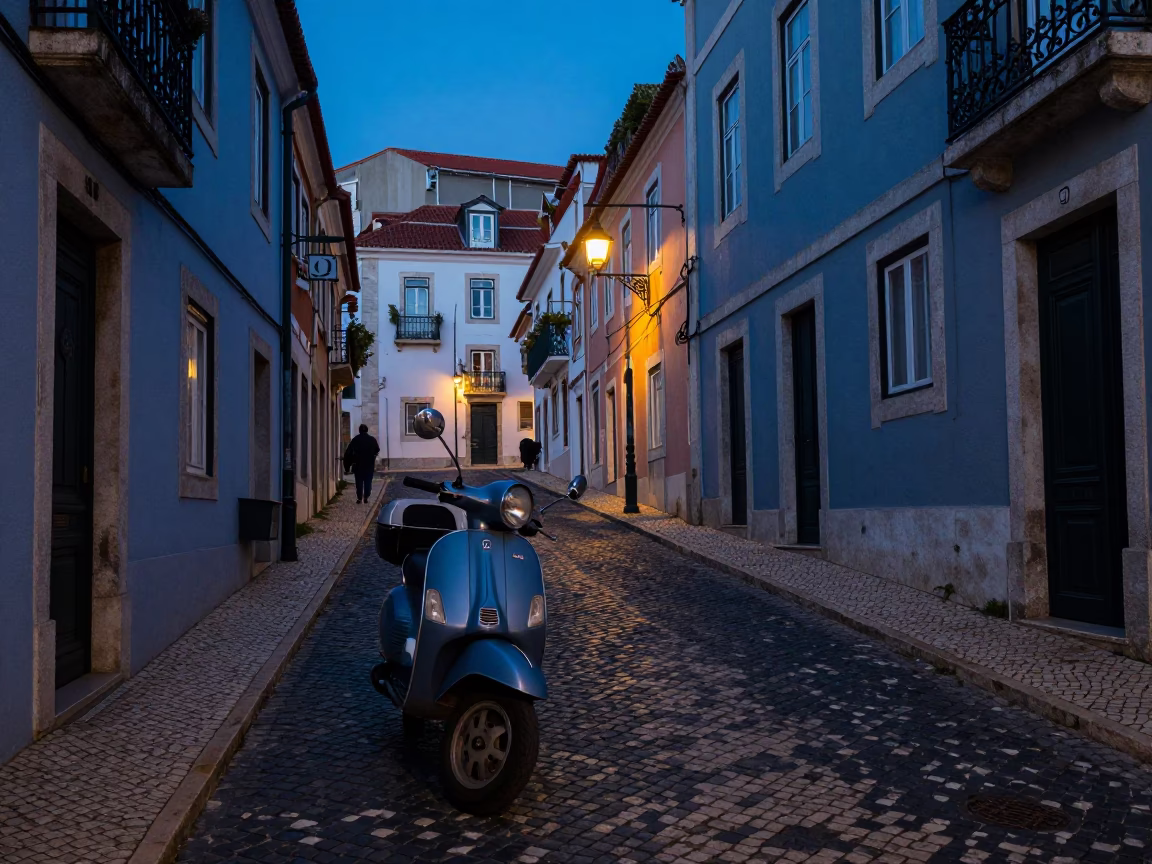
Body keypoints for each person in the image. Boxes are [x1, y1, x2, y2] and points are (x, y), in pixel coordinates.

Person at [343, 424, 380, 504]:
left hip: (358, 465)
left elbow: (348, 453)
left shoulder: (355, 439)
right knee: (368, 481)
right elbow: (377, 450)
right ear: (367, 430)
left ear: (359, 430)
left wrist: (347, 466)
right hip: (369, 465)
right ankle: (366, 496)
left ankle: (359, 498)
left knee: (359, 482)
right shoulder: (372, 439)